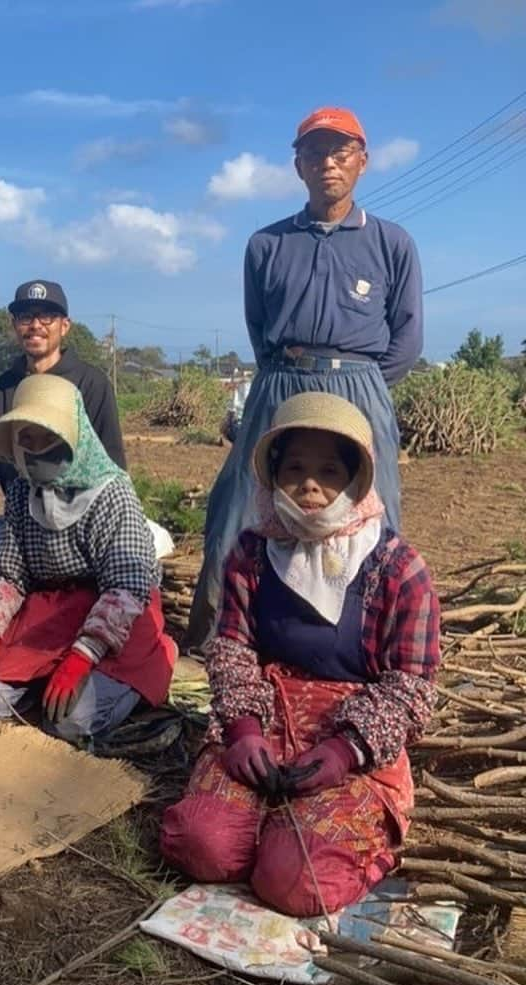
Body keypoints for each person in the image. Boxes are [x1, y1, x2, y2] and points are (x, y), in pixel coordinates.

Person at [160, 393, 439, 918]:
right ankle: (262, 825)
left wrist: (344, 751)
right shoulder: (253, 551)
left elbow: (411, 686)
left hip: (352, 738)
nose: (310, 485)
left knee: (294, 883)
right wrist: (242, 731)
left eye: (330, 471)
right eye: (295, 469)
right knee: (201, 844)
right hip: (265, 717)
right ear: (273, 476)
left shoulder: (401, 571)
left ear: (358, 480)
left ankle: (351, 845)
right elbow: (234, 650)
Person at [188, 107, 423, 647]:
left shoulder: (392, 243)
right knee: (239, 510)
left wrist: (356, 388)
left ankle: (370, 646)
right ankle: (220, 642)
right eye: (315, 153)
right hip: (279, 381)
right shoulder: (266, 245)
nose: (328, 164)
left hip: (360, 388)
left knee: (370, 515)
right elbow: (258, 327)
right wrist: (287, 375)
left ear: (362, 162)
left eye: (341, 153)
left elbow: (407, 341)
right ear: (298, 166)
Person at [0, 375, 176, 745]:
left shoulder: (111, 492)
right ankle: (47, 677)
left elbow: (127, 586)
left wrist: (82, 657)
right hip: (52, 614)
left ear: (75, 436)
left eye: (49, 437)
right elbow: (10, 569)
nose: (38, 450)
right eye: (28, 439)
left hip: (117, 616)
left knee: (70, 722)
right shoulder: (23, 490)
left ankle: (155, 657)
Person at [0, 279, 125, 563]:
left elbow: (112, 465)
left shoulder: (91, 383)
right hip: (20, 524)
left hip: (78, 526)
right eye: (26, 316)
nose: (35, 325)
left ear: (65, 325)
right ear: (15, 325)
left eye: (46, 316)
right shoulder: (3, 387)